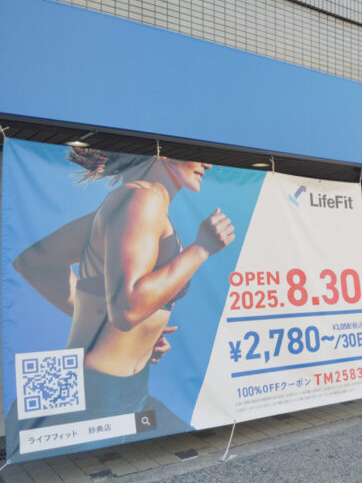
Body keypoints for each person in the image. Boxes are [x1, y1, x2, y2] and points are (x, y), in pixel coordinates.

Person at [7, 148, 234, 459]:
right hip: (97, 398)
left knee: (186, 459)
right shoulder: (144, 198)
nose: (208, 162)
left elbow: (34, 262)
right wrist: (201, 249)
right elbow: (128, 309)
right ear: (161, 153)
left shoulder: (128, 203)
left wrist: (124, 330)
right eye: (194, 152)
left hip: (116, 390)